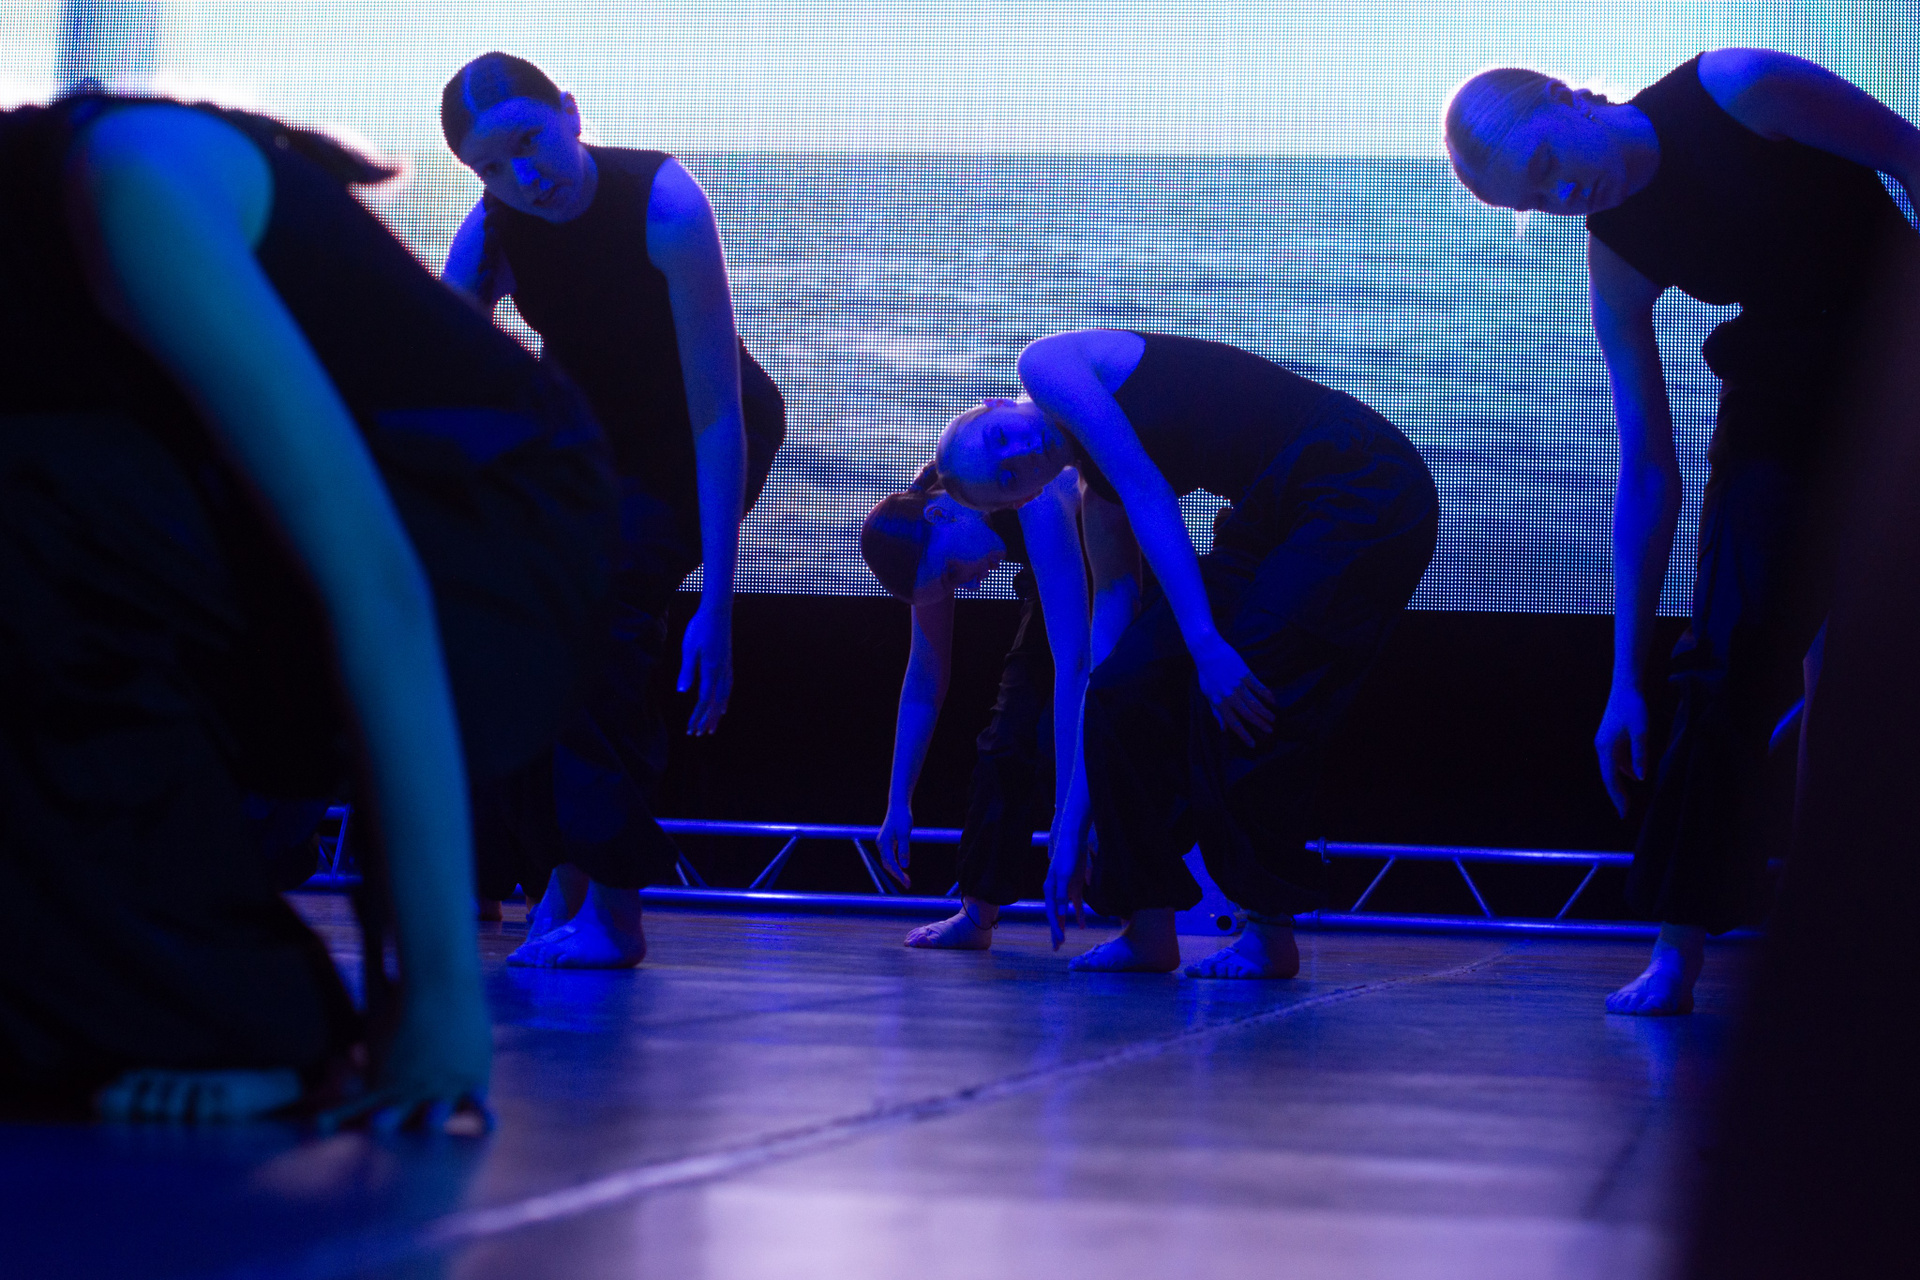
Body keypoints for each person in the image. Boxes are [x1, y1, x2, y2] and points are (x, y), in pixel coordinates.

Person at [0, 95, 616, 1121]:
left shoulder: (128, 182)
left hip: (501, 564)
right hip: (297, 584)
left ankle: (241, 1021)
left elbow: (377, 584)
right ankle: (152, 1002)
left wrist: (438, 994)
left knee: (31, 498)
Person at [1444, 49, 1920, 1014]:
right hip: (1783, 398)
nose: (1564, 197)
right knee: (1725, 660)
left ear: (1569, 99)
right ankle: (1677, 952)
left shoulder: (1738, 88)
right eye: (1538, 202)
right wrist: (1624, 680)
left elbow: (1912, 157)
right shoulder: (1616, 257)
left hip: (1899, 344)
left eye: (1548, 166)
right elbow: (1648, 471)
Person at [936, 330, 1437, 976]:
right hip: (1269, 514)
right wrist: (1070, 819)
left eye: (1001, 437)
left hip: (1356, 478)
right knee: (1122, 691)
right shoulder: (1097, 499)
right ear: (1026, 499)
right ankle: (1146, 929)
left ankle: (1269, 930)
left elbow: (1147, 488)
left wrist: (1206, 646)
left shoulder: (1047, 363)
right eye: (1009, 478)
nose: (1021, 455)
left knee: (1248, 674)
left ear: (999, 405)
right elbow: (1102, 646)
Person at [440, 53, 786, 968]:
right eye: (491, 168)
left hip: (699, 437)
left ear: (570, 110)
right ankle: (558, 878)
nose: (523, 177)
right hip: (594, 439)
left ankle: (614, 909)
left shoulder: (665, 204)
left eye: (529, 141)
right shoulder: (494, 231)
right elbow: (438, 372)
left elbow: (716, 418)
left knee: (603, 615)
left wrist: (718, 606)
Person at [859, 465, 1089, 949]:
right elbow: (925, 679)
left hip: (1123, 560)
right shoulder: (931, 516)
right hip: (1054, 579)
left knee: (1109, 719)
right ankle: (977, 914)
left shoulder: (1025, 489)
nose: (969, 586)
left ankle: (1144, 922)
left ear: (940, 515)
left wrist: (1067, 813)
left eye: (951, 573)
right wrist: (898, 802)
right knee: (1006, 743)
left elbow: (1074, 663)